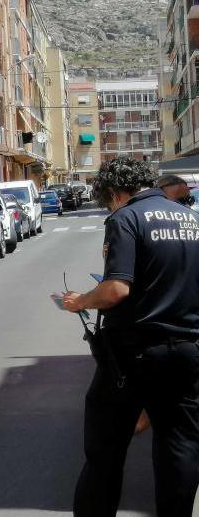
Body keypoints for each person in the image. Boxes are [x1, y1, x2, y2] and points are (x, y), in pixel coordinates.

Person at [60, 157, 199, 516]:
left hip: (133, 356)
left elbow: (116, 290)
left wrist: (81, 302)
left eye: (107, 200)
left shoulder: (126, 219)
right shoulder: (192, 219)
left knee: (104, 450)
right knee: (180, 444)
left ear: (113, 192)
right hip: (188, 350)